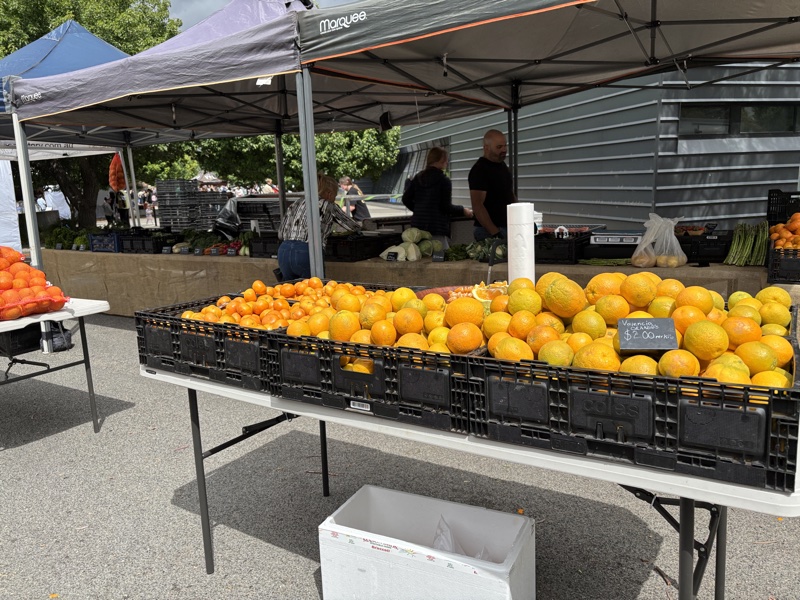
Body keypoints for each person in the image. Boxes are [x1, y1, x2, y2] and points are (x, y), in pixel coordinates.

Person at [277, 173, 361, 280]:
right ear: (329, 194)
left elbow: (280, 233)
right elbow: (352, 226)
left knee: (289, 292)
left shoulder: (296, 203)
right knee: (313, 292)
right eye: (334, 196)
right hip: (306, 252)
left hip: (283, 251)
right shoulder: (327, 204)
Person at [402, 147, 472, 249]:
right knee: (442, 260)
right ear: (442, 160)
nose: (447, 162)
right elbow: (446, 207)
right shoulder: (444, 181)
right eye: (446, 159)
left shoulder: (418, 178)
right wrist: (463, 210)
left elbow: (405, 199)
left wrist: (420, 210)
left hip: (417, 230)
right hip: (437, 228)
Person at [468, 129, 516, 241]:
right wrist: (495, 232)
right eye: (499, 147)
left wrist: (521, 219)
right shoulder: (479, 170)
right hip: (488, 231)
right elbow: (477, 205)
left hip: (507, 227)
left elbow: (509, 194)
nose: (504, 150)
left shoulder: (502, 166)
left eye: (505, 146)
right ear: (486, 148)